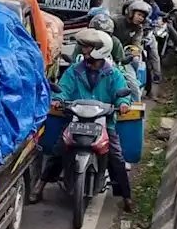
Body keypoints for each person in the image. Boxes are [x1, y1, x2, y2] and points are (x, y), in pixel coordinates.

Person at [32, 29, 135, 212]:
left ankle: (126, 197)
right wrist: (58, 99)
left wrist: (123, 103)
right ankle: (40, 186)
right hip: (76, 120)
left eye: (89, 47)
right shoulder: (75, 70)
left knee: (116, 157)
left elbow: (122, 92)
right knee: (58, 150)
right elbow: (63, 88)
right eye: (85, 46)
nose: (85, 50)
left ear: (100, 49)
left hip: (103, 122)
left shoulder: (113, 73)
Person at [115, 0, 160, 100]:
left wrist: (135, 51)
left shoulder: (138, 29)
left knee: (133, 86)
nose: (140, 18)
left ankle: (135, 110)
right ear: (131, 13)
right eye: (139, 14)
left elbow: (136, 42)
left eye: (143, 16)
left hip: (124, 59)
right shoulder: (116, 21)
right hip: (108, 55)